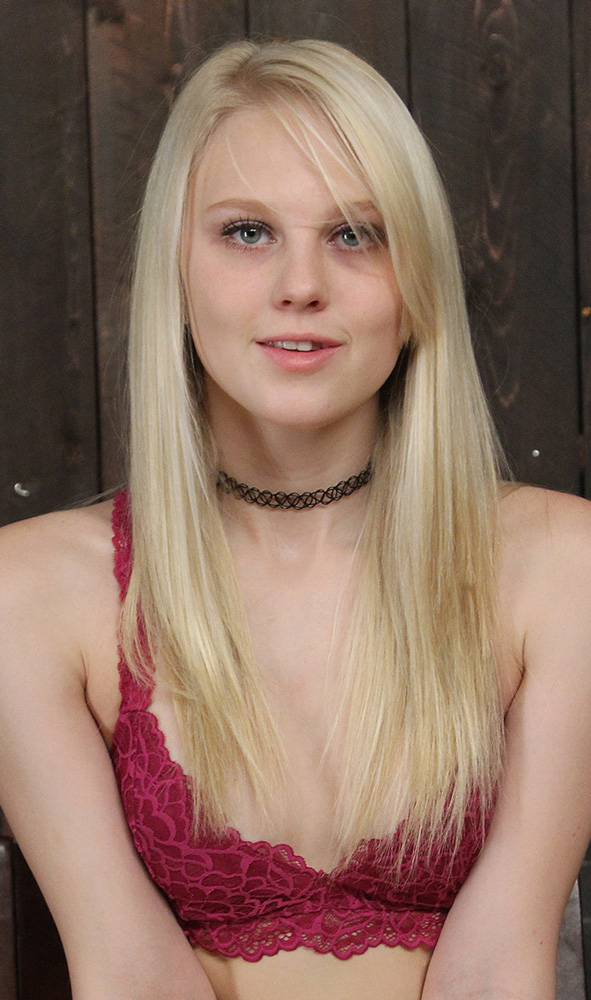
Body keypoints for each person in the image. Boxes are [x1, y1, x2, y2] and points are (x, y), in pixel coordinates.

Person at [0, 37, 590, 1000]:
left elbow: (498, 971)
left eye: (355, 234)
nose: (301, 284)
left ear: (416, 284)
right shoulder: (26, 594)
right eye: (246, 232)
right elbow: (128, 974)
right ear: (176, 270)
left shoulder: (563, 565)